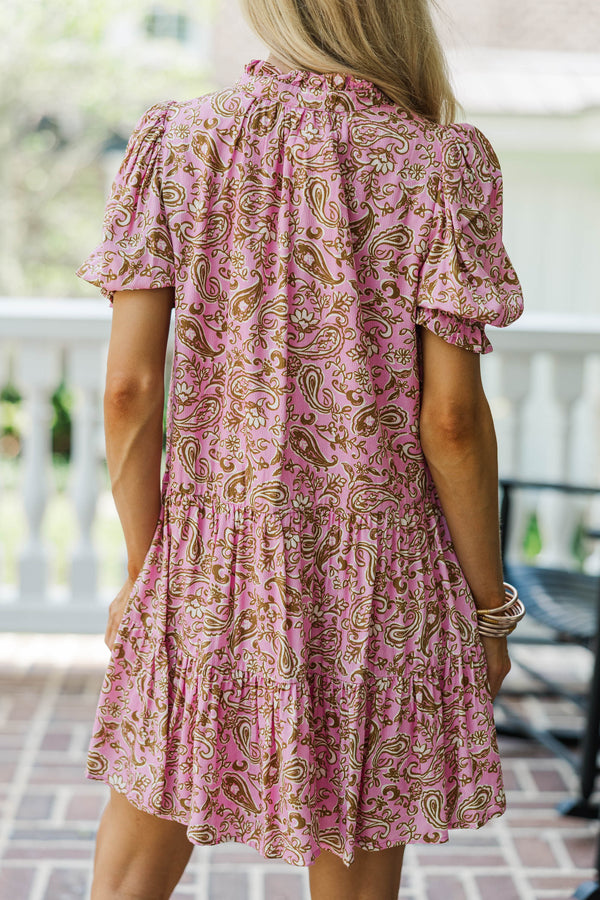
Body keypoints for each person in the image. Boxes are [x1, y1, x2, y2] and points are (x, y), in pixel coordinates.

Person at [75, 0, 526, 897]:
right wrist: (486, 609)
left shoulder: (177, 142)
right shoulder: (439, 162)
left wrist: (143, 570)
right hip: (378, 574)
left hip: (208, 560)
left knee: (131, 871)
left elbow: (128, 392)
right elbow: (452, 423)